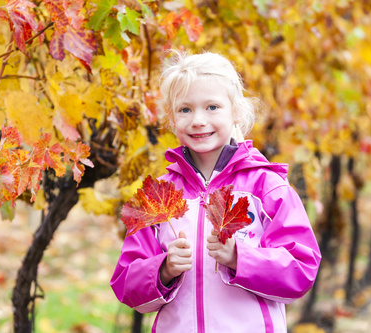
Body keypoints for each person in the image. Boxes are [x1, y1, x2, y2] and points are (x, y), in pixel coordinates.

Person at [110, 50, 321, 332]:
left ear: (236, 111)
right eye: (185, 109)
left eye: (212, 107)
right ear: (172, 119)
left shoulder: (267, 188)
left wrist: (240, 258)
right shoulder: (156, 197)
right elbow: (126, 284)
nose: (198, 120)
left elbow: (301, 271)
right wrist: (164, 269)